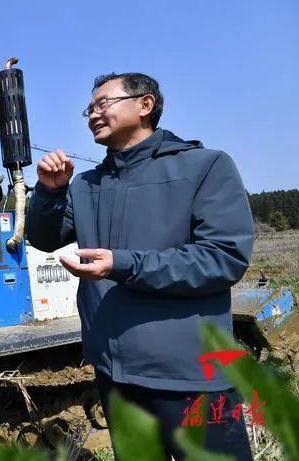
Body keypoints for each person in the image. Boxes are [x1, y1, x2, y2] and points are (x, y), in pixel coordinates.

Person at [26, 73, 254, 460]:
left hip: (189, 376)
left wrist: (123, 264)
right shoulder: (85, 185)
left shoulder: (205, 166)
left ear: (145, 105)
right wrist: (50, 192)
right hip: (114, 374)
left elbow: (223, 257)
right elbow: (45, 239)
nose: (93, 115)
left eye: (103, 104)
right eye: (89, 109)